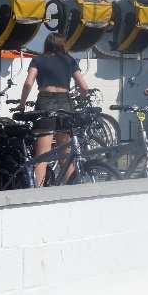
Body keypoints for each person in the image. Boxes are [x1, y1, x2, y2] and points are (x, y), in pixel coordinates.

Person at [19, 33, 92, 186]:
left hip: (45, 102)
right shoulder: (69, 60)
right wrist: (78, 95)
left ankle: (37, 193)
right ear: (62, 44)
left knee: (42, 156)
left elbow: (28, 83)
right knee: (65, 154)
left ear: (46, 44)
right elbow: (84, 87)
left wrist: (22, 103)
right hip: (65, 103)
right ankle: (70, 190)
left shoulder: (38, 60)